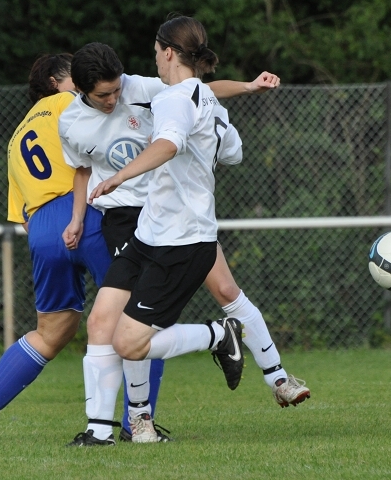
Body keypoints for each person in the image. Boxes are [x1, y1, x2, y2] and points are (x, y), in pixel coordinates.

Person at [73, 16, 310, 443]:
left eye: (155, 52)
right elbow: (233, 152)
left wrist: (119, 176)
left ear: (167, 52)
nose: (154, 60)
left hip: (180, 241)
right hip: (149, 234)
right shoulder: (203, 99)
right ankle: (138, 424)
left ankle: (219, 335)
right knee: (106, 320)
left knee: (129, 341)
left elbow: (168, 144)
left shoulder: (172, 99)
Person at [0, 53, 116, 441]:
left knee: (51, 332)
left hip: (42, 229)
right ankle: (138, 423)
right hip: (85, 212)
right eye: (75, 75)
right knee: (137, 313)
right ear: (56, 82)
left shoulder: (15, 139)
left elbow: (21, 215)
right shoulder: (70, 102)